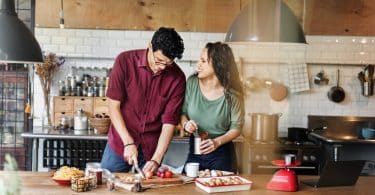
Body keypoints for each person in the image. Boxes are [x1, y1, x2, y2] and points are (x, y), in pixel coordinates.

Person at [101, 27, 186, 174]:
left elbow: (169, 123)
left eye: (168, 63)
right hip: (121, 142)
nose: (162, 68)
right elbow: (113, 106)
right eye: (159, 61)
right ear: (150, 46)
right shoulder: (125, 61)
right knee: (107, 186)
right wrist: (128, 142)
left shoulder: (177, 78)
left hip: (150, 150)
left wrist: (156, 159)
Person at [181, 42, 244, 172]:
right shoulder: (192, 83)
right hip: (195, 150)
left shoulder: (233, 95)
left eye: (203, 61)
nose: (198, 64)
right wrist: (186, 124)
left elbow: (236, 128)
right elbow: (183, 113)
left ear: (218, 65)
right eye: (200, 59)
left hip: (221, 153)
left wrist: (217, 142)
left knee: (220, 189)